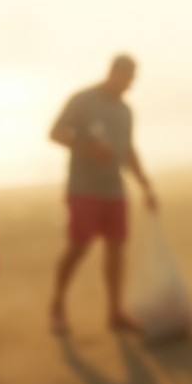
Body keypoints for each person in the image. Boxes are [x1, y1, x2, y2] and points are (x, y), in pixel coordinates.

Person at [48, 54, 159, 336]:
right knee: (78, 247)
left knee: (116, 248)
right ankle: (57, 305)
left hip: (114, 189)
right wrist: (87, 148)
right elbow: (55, 133)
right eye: (126, 78)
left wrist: (145, 186)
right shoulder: (84, 100)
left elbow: (128, 149)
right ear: (113, 73)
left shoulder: (125, 110)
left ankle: (115, 312)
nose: (129, 84)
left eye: (133, 79)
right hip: (83, 188)